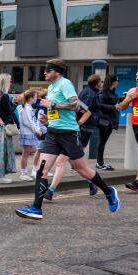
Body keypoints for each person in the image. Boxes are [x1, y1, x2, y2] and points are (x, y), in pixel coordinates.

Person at [16, 59, 120, 220]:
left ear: (56, 72)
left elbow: (74, 105)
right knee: (42, 170)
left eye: (48, 70)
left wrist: (53, 105)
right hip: (52, 133)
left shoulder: (65, 84)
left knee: (82, 170)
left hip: (68, 134)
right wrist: (48, 121)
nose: (44, 73)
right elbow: (56, 111)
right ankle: (36, 208)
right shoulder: (51, 87)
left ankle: (109, 191)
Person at [44, 74, 100, 199]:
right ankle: (92, 182)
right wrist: (48, 121)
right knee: (76, 166)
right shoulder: (54, 97)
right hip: (58, 133)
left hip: (71, 134)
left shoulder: (73, 100)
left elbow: (87, 112)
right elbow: (55, 115)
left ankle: (50, 191)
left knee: (60, 162)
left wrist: (78, 124)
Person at [94, 74, 119, 171]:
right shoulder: (103, 92)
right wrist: (114, 107)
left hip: (110, 120)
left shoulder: (111, 91)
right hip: (105, 121)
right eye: (117, 80)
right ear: (113, 81)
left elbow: (111, 102)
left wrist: (121, 100)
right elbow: (99, 105)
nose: (118, 82)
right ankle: (100, 163)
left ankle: (100, 162)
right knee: (101, 142)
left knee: (102, 142)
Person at [17, 89, 42, 181]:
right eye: (35, 97)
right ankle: (23, 173)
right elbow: (29, 122)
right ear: (31, 98)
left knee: (26, 153)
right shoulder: (27, 108)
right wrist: (37, 130)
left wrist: (36, 130)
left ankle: (25, 172)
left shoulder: (28, 107)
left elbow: (31, 121)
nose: (36, 99)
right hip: (27, 133)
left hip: (29, 133)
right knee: (26, 153)